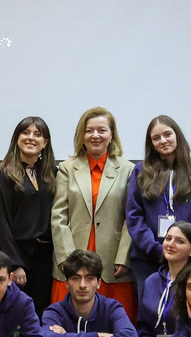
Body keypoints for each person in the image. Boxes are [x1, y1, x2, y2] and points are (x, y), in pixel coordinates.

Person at [52, 107, 135, 315]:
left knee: (113, 323)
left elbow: (131, 217)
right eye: (89, 131)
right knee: (68, 324)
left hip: (112, 264)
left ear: (111, 135)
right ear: (82, 135)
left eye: (102, 130)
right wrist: (67, 259)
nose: (95, 135)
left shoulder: (128, 170)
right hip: (72, 260)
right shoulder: (67, 168)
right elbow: (59, 216)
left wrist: (123, 257)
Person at [124, 115, 191, 293]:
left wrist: (180, 248)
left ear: (177, 135)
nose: (163, 141)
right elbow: (134, 217)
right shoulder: (140, 172)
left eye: (167, 134)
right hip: (147, 259)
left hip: (185, 260)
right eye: (156, 138)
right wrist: (156, 249)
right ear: (151, 144)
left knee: (181, 306)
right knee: (149, 307)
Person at [0, 116, 56, 312]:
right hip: (18, 254)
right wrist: (14, 264)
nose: (31, 138)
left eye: (37, 134)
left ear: (45, 143)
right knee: (19, 312)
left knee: (42, 310)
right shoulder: (3, 175)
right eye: (25, 133)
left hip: (45, 257)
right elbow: (1, 223)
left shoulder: (52, 173)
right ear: (17, 138)